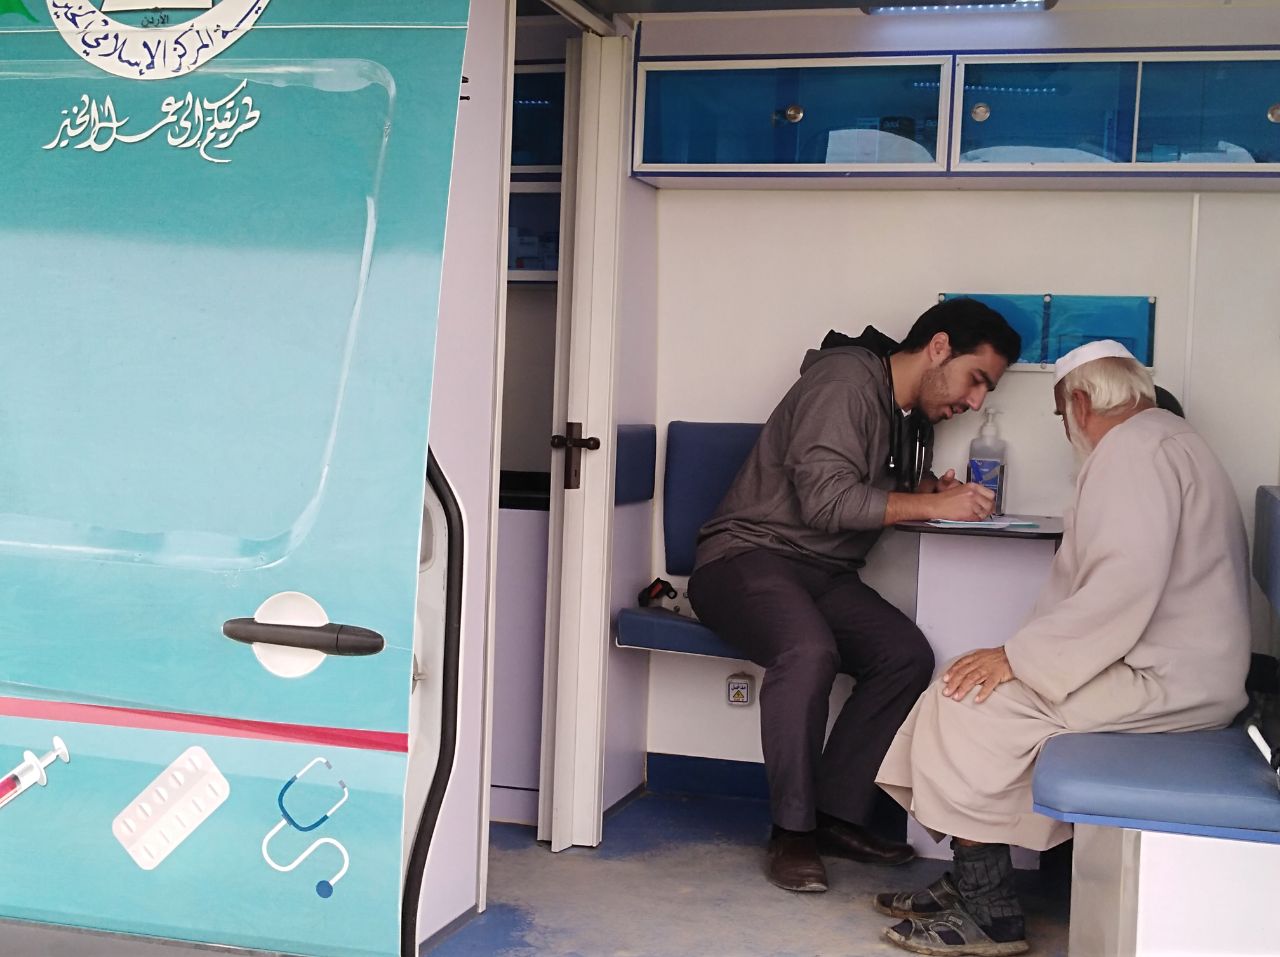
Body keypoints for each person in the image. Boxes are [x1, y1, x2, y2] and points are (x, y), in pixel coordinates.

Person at [873, 340, 1252, 956]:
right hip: (1180, 668)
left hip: (1165, 681)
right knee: (967, 690)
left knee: (966, 703)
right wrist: (1021, 657)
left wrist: (1016, 658)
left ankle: (989, 914)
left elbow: (1119, 587)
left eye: (1059, 414)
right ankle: (970, 881)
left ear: (1079, 402)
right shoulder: (1171, 438)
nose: (1066, 428)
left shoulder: (1132, 452)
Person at [687, 298, 1022, 893]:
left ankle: (835, 818)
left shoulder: (906, 413)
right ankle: (792, 833)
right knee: (807, 651)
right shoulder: (844, 382)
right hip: (745, 558)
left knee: (904, 655)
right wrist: (932, 506)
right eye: (976, 380)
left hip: (821, 572)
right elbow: (826, 502)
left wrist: (926, 490)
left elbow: (865, 481)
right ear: (939, 347)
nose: (975, 402)